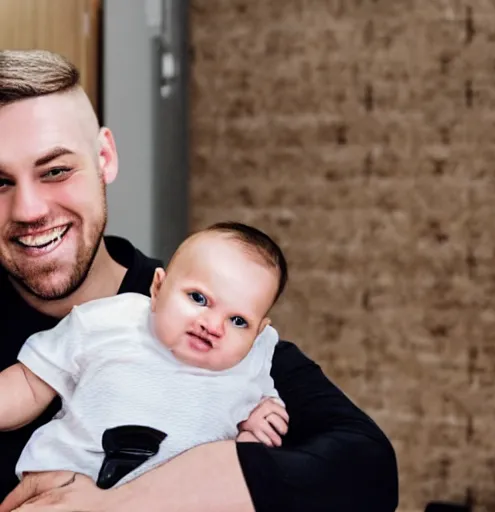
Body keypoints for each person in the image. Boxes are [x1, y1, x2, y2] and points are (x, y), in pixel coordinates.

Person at [0, 49, 399, 511]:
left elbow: (367, 472)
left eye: (56, 171)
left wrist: (119, 505)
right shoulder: (76, 341)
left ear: (105, 157)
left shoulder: (221, 331)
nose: (29, 210)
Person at [0, 221, 290, 488]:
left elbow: (251, 460)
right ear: (158, 287)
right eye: (198, 299)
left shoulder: (252, 359)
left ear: (259, 332)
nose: (213, 326)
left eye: (238, 321)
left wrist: (256, 424)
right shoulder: (109, 321)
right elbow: (29, 383)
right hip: (64, 483)